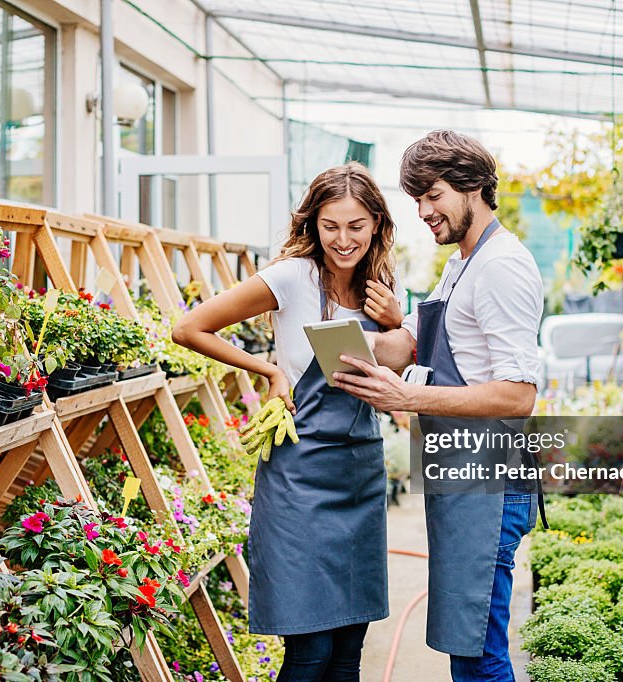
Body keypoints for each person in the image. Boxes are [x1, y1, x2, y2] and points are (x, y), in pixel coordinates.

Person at [172, 162, 405, 681]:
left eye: (356, 226)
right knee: (312, 652)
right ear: (312, 224)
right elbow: (189, 328)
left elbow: (405, 364)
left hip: (360, 473)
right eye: (331, 226)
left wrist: (397, 321)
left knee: (348, 650)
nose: (343, 240)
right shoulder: (290, 276)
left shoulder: (382, 287)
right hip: (301, 476)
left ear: (377, 226)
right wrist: (269, 368)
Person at [333, 131, 544, 681]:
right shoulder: (463, 262)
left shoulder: (501, 265)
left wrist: (408, 396)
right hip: (461, 474)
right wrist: (354, 340)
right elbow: (416, 344)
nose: (424, 211)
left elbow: (519, 395)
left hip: (490, 483)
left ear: (473, 185)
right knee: (464, 642)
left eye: (433, 195)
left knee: (478, 654)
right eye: (417, 199)